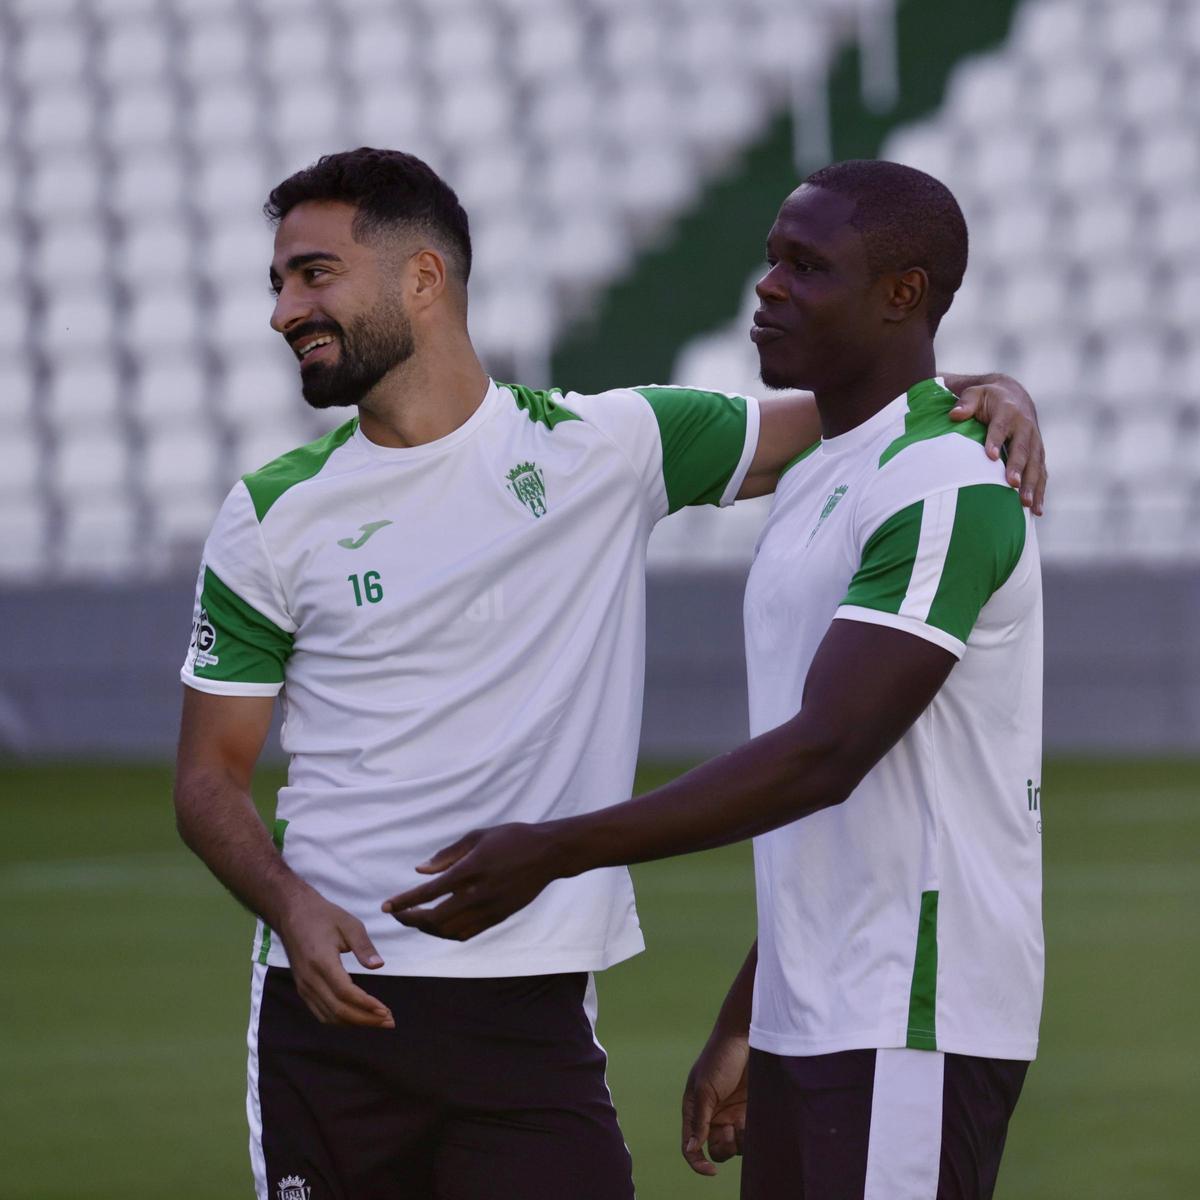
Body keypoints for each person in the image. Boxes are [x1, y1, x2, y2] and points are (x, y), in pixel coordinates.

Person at [174, 148, 1044, 1200]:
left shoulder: (609, 446)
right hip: (333, 1012)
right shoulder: (269, 515)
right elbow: (207, 779)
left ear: (423, 278)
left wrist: (985, 393)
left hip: (533, 1008)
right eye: (278, 282)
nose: (283, 311)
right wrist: (288, 906)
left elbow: (868, 412)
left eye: (313, 274)